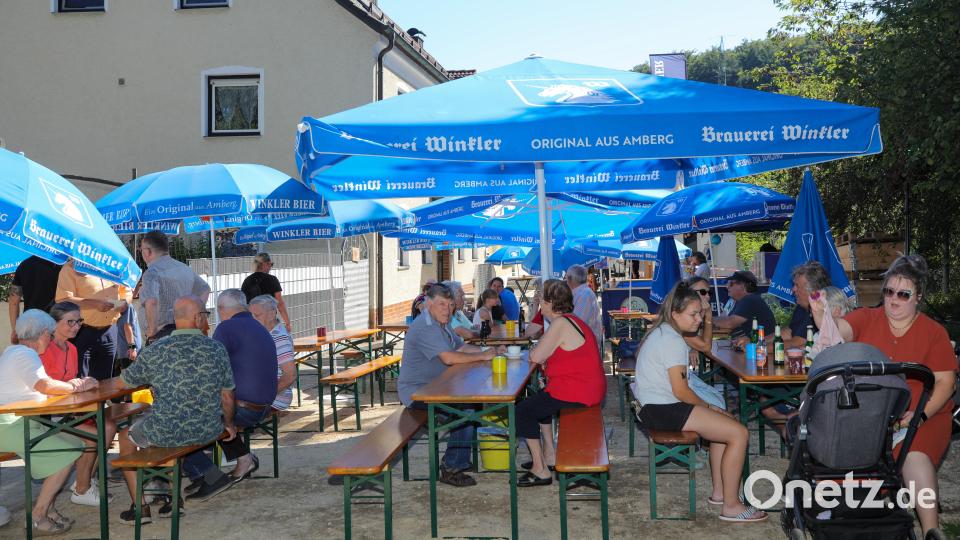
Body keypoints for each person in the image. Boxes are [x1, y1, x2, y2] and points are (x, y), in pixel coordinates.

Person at [810, 254, 956, 536]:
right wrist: (822, 314)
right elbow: (838, 333)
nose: (894, 299)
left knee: (914, 454)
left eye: (904, 294)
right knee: (845, 440)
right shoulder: (867, 317)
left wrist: (920, 415)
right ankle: (842, 516)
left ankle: (931, 531)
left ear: (919, 297)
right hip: (872, 413)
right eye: (889, 291)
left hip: (924, 413)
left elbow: (945, 384)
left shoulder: (933, 332)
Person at [632, 283, 767, 523]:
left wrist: (710, 409)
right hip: (662, 408)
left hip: (655, 405)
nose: (698, 319)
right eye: (693, 315)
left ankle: (720, 494)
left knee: (724, 425)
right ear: (675, 313)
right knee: (739, 433)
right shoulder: (672, 339)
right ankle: (732, 506)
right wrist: (708, 406)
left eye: (700, 314)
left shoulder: (665, 331)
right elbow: (681, 390)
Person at [118, 296, 236, 522]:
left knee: (126, 436)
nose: (207, 320)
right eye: (206, 315)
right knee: (173, 429)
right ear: (198, 318)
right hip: (208, 430)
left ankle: (139, 507)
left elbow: (127, 381)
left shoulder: (156, 350)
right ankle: (174, 500)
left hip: (169, 430)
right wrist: (229, 424)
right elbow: (228, 395)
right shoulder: (216, 349)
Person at [397, 284, 502, 487]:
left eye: (450, 304)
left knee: (470, 402)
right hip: (417, 393)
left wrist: (491, 350)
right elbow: (448, 358)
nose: (447, 309)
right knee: (466, 409)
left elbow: (461, 346)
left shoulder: (441, 323)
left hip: (437, 386)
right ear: (428, 304)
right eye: (441, 304)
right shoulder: (426, 326)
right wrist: (483, 355)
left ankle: (460, 457)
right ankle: (451, 467)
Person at [0, 310, 92, 535]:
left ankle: (48, 508)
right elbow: (44, 385)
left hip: (17, 421)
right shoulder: (25, 354)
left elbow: (41, 387)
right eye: (50, 335)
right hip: (8, 424)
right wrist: (77, 385)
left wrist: (70, 385)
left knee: (76, 442)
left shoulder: (14, 351)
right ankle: (38, 515)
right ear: (41, 334)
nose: (51, 340)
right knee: (66, 452)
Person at [516, 279, 606, 487]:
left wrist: (535, 350)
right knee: (541, 401)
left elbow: (536, 356)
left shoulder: (560, 324)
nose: (538, 302)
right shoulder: (571, 320)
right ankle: (549, 456)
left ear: (548, 303)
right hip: (585, 387)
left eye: (540, 299)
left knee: (524, 410)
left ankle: (540, 470)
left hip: (580, 391)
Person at [42, 302, 118, 508]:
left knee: (109, 426)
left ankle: (83, 482)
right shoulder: (44, 348)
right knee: (93, 434)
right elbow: (45, 387)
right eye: (70, 322)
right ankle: (82, 489)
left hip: (69, 411)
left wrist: (85, 384)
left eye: (79, 321)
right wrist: (78, 385)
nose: (76, 327)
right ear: (53, 323)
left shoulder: (73, 348)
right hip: (47, 415)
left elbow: (72, 383)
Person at [210, 289, 278, 484]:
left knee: (196, 417)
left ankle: (208, 473)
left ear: (222, 310)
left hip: (245, 408)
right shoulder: (260, 328)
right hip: (265, 406)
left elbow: (211, 368)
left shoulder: (226, 328)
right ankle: (230, 463)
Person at [55, 259, 132, 381]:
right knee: (80, 380)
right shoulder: (71, 268)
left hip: (110, 331)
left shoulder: (113, 264)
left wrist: (125, 302)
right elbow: (63, 300)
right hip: (82, 332)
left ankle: (102, 401)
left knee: (105, 381)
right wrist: (94, 304)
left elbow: (127, 291)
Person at [138, 230, 211, 344]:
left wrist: (152, 333)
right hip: (186, 329)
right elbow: (205, 289)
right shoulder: (184, 268)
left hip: (162, 334)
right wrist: (194, 314)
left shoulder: (152, 272)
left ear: (148, 251)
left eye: (141, 250)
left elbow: (152, 302)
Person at [248, 295, 296, 412]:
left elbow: (290, 375)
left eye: (257, 315)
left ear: (271, 313)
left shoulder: (278, 338)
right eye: (251, 316)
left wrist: (266, 395)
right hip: (267, 395)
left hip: (275, 399)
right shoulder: (269, 333)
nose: (252, 319)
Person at [7, 256, 62, 344]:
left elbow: (14, 301)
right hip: (54, 324)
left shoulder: (24, 264)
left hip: (29, 323)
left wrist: (15, 329)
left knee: (30, 356)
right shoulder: (61, 265)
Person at [713, 270, 776, 342]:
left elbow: (729, 323)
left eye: (731, 284)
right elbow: (723, 319)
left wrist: (706, 320)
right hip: (748, 345)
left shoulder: (750, 300)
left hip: (759, 349)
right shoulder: (738, 301)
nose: (727, 287)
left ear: (744, 286)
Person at [782, 261, 831, 349]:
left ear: (813, 290)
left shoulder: (820, 310)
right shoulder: (801, 307)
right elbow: (789, 331)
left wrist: (759, 348)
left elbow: (797, 342)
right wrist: (759, 341)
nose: (793, 289)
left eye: (797, 285)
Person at [240, 253, 291, 331]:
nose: (271, 267)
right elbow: (280, 304)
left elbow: (243, 305)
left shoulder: (247, 281)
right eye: (271, 264)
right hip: (269, 323)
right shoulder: (272, 279)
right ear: (265, 264)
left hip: (253, 323)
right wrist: (287, 323)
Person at [565, 264, 602, 345]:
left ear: (570, 279)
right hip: (583, 342)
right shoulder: (581, 292)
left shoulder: (584, 295)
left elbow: (576, 324)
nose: (565, 281)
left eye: (566, 278)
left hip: (586, 344)